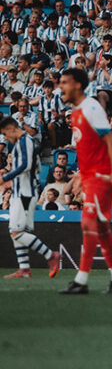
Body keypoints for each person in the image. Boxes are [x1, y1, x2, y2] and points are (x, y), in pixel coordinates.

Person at [58, 68, 112, 295]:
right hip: (90, 176)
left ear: (77, 85)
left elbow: (109, 141)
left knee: (88, 224)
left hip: (101, 176)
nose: (61, 87)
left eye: (64, 82)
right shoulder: (77, 112)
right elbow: (90, 148)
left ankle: (81, 280)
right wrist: (80, 175)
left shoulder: (91, 108)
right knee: (100, 227)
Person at [0, 118, 60, 279]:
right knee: (16, 230)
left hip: (25, 193)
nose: (5, 138)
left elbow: (26, 165)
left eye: (5, 133)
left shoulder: (26, 140)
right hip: (21, 192)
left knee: (17, 231)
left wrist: (5, 177)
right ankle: (24, 269)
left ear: (12, 128)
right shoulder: (24, 142)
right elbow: (36, 167)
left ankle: (50, 255)